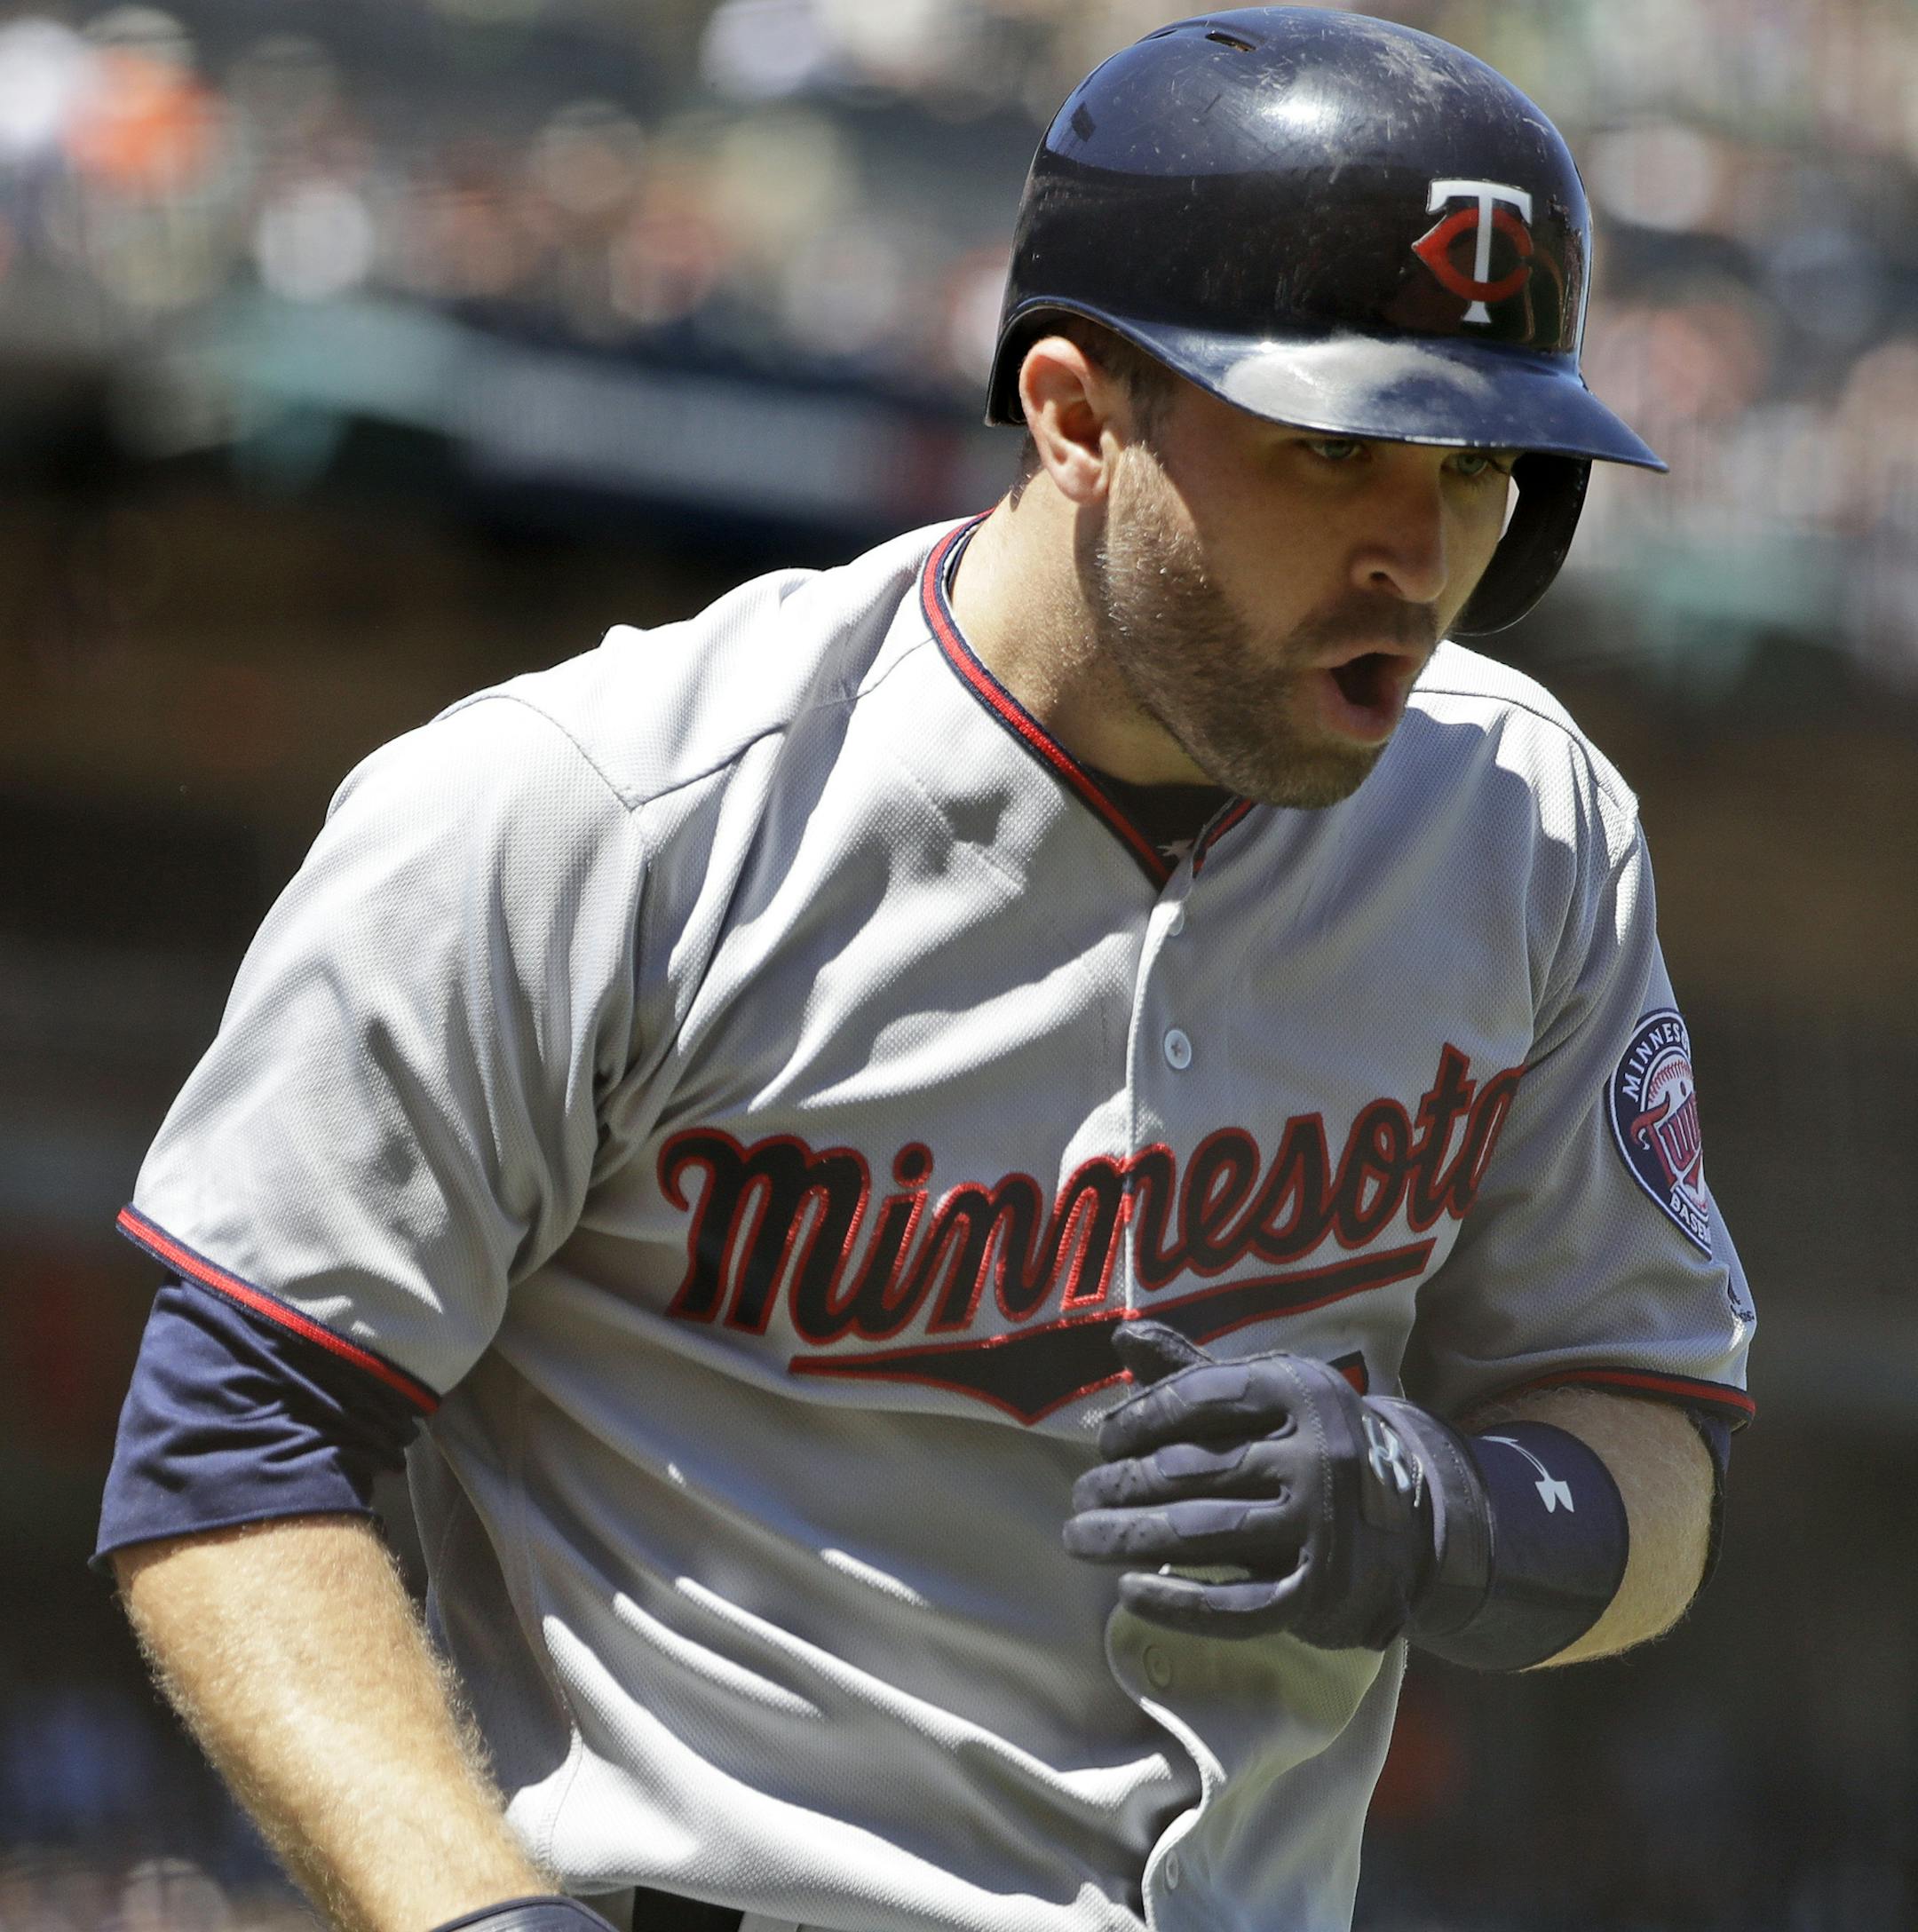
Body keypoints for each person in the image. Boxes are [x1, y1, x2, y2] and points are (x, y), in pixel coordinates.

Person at [96, 11, 1755, 1932]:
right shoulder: (593, 812)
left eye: (1477, 468)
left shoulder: (1527, 822)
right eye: (1336, 449)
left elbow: (1648, 1454)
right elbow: (228, 1451)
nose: (1419, 549)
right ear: (1076, 415)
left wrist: (1450, 1514)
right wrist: (470, 1916)